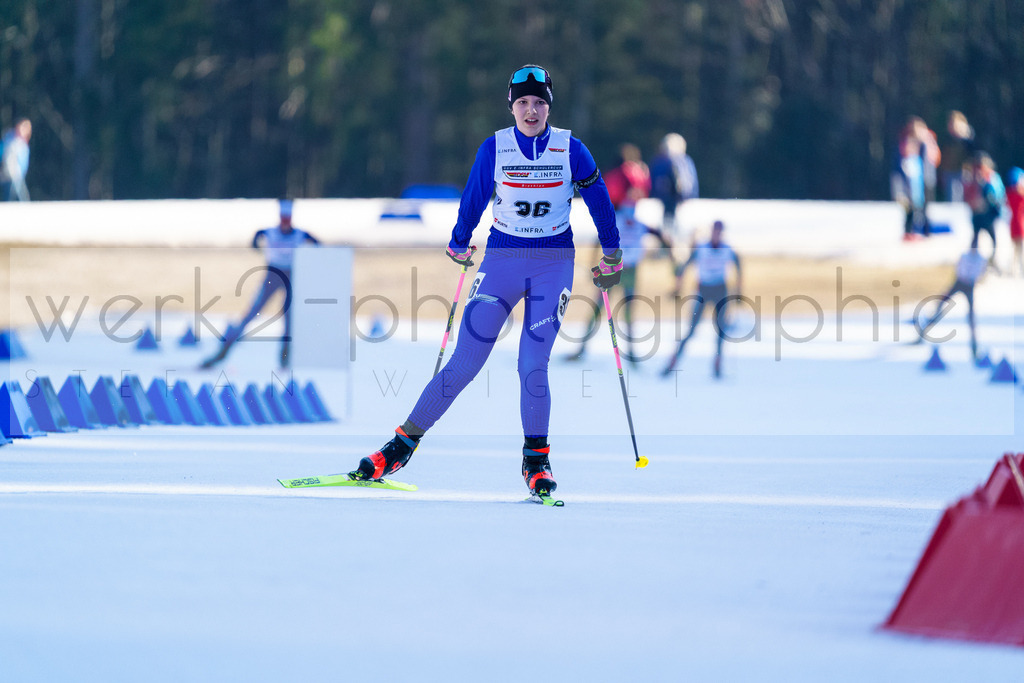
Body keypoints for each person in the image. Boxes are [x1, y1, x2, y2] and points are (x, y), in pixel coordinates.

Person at [348, 65, 620, 499]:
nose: (531, 111)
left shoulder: (572, 150)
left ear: (549, 106)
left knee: (531, 364)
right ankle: (400, 445)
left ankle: (537, 461)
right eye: (523, 103)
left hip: (553, 265)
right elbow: (474, 197)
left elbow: (601, 201)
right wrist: (459, 241)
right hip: (501, 262)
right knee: (465, 361)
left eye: (539, 103)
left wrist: (612, 253)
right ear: (511, 105)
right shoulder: (495, 147)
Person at [566, 142, 670, 363]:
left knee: (628, 309)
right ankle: (584, 348)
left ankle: (629, 351)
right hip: (614, 267)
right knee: (599, 307)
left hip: (629, 267)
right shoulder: (619, 217)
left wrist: (667, 251)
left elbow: (659, 234)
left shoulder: (634, 219)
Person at [200, 198, 320, 369]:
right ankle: (223, 351)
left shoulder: (300, 234)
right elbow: (256, 238)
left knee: (289, 318)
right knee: (252, 313)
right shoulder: (270, 232)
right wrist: (257, 245)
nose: (285, 223)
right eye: (283, 219)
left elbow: (317, 245)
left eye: (287, 220)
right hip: (272, 274)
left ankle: (285, 357)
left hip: (291, 276)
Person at [661, 219, 742, 380]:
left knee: (721, 331)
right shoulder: (701, 248)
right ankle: (672, 365)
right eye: (715, 231)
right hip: (703, 290)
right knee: (690, 330)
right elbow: (684, 268)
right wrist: (677, 288)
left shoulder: (727, 249)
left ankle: (717, 367)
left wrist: (738, 292)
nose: (716, 235)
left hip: (720, 290)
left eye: (719, 232)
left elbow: (739, 269)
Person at [913, 246, 989, 360]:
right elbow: (959, 270)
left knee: (971, 316)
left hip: (967, 285)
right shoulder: (967, 257)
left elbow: (980, 273)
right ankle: (923, 332)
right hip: (960, 283)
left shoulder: (979, 259)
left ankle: (974, 347)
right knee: (939, 309)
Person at [892, 117, 939, 240]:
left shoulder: (926, 142)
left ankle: (925, 231)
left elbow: (930, 161)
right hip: (912, 181)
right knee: (910, 207)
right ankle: (910, 231)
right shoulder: (908, 142)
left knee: (924, 207)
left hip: (925, 180)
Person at [649, 132, 698, 240]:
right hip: (674, 200)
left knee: (672, 226)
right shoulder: (684, 161)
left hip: (674, 201)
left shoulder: (672, 161)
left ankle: (671, 246)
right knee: (671, 226)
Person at [963, 151, 1007, 271]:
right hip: (981, 213)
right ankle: (975, 260)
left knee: (986, 237)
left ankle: (989, 260)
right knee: (979, 238)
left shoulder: (989, 177)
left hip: (986, 214)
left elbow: (997, 195)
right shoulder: (977, 177)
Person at [939, 111, 975, 203]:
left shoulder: (966, 140)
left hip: (963, 171)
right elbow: (945, 156)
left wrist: (969, 169)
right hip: (950, 171)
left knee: (963, 196)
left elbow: (971, 155)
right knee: (951, 197)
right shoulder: (948, 139)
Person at [0, 118, 32, 202]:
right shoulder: (12, 141)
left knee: (18, 196)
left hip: (17, 174)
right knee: (15, 197)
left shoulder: (22, 142)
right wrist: (12, 172)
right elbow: (7, 158)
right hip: (11, 174)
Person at [1006, 167, 1023, 277]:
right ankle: (1020, 269)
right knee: (1020, 250)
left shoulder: (1009, 195)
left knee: (1014, 249)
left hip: (1012, 225)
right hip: (1020, 225)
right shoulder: (1021, 196)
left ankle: (1013, 269)